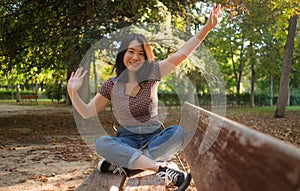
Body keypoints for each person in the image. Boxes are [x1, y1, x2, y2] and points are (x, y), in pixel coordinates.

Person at [67, 3, 221, 191]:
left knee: (177, 133)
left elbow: (182, 53)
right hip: (126, 140)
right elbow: (87, 112)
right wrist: (73, 93)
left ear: (147, 58)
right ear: (123, 54)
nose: (135, 57)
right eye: (131, 51)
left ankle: (126, 163)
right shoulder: (111, 85)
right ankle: (160, 168)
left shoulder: (153, 74)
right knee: (101, 143)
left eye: (141, 53)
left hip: (154, 138)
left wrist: (206, 28)